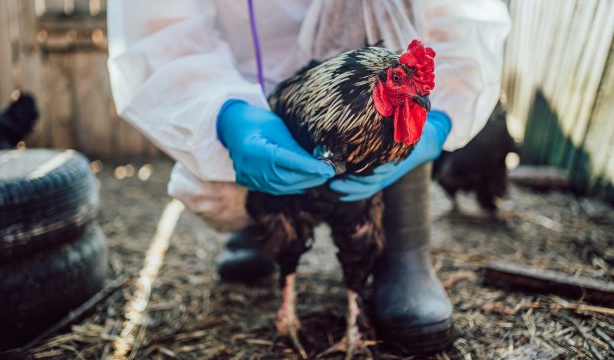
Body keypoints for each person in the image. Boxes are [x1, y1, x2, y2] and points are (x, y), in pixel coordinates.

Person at [107, 0, 511, 353]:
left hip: (377, 92)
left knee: (360, 223)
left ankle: (404, 248)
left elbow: (462, 14)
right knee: (223, 191)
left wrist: (440, 117)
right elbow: (159, 30)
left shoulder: (399, 86)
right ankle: (260, 229)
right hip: (256, 86)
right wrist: (226, 113)